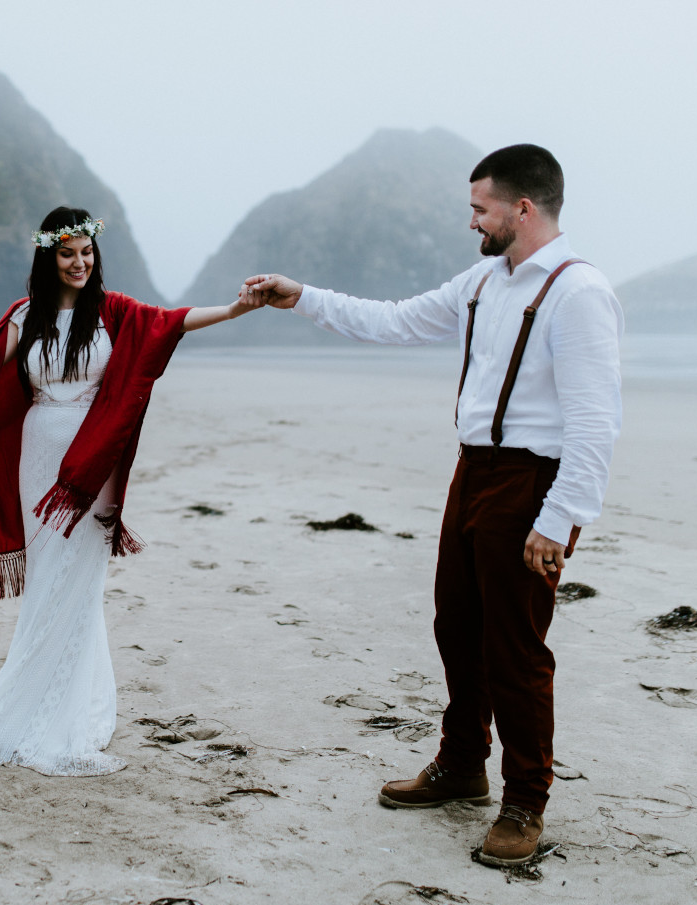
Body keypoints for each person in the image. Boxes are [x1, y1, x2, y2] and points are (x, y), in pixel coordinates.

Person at [245, 144, 623, 866]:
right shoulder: (484, 281)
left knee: (516, 648)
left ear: (523, 208)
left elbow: (596, 419)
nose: (471, 221)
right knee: (457, 625)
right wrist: (305, 296)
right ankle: (461, 767)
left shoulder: (579, 292)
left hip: (532, 482)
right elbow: (395, 320)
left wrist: (559, 518)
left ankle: (524, 800)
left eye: (480, 208)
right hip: (472, 472)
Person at [0, 206, 265, 776]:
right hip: (39, 459)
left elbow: (173, 322)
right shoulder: (25, 318)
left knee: (78, 587)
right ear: (48, 257)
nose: (79, 262)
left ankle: (66, 715)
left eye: (87, 252)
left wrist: (234, 309)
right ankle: (39, 709)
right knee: (48, 587)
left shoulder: (115, 313)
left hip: (90, 470)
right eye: (68, 253)